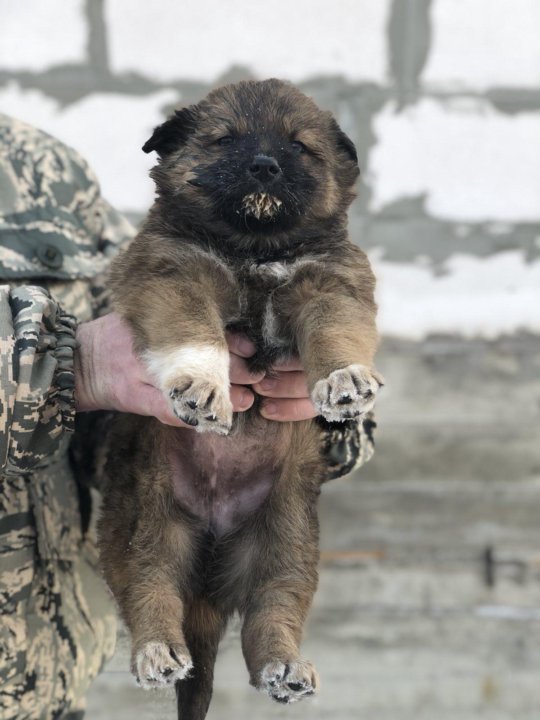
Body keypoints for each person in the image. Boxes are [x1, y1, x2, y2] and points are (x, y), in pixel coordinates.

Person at [0, 113, 375, 720]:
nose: (263, 161)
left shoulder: (44, 168)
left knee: (279, 556)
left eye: (301, 151)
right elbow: (142, 308)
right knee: (158, 544)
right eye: (226, 142)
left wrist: (331, 405)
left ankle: (271, 648)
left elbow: (113, 351)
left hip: (51, 686)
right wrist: (79, 365)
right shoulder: (175, 239)